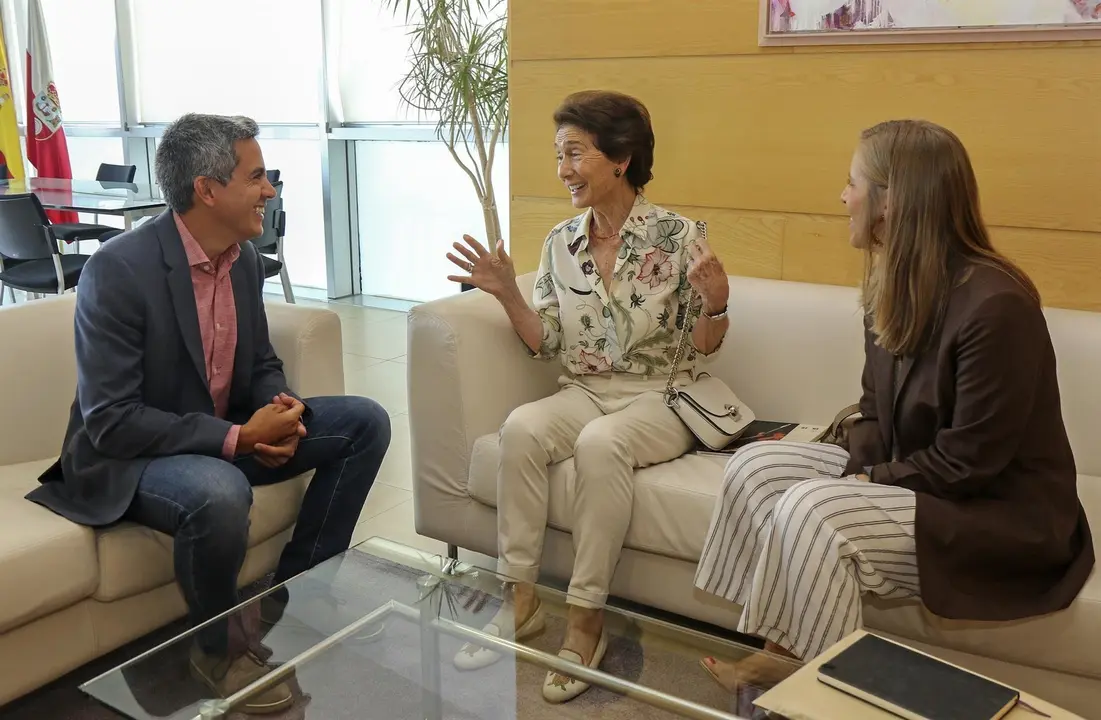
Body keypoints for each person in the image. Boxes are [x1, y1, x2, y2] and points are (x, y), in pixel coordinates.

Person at [693, 119, 1094, 692]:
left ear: (892, 199)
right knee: (756, 470)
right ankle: (784, 655)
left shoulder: (998, 307)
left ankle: (808, 690)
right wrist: (859, 466)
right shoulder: (892, 286)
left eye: (852, 181)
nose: (842, 196)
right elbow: (875, 410)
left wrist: (865, 482)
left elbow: (967, 464)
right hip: (920, 475)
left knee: (813, 511)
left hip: (997, 516)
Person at [27, 113, 391, 715]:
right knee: (220, 490)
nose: (270, 190)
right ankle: (217, 650)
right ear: (206, 189)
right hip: (130, 458)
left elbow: (260, 362)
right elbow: (111, 419)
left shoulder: (243, 259)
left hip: (219, 439)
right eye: (256, 177)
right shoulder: (117, 270)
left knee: (364, 422)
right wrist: (237, 439)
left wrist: (281, 409)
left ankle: (299, 597)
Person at [445, 90, 730, 704]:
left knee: (601, 446)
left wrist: (718, 301)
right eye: (559, 154)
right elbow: (545, 340)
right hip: (586, 388)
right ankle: (520, 601)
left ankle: (585, 621)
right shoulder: (560, 242)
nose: (563, 169)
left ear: (620, 157)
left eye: (575, 153)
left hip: (663, 397)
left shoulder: (680, 236)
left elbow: (704, 347)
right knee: (520, 427)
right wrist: (504, 294)